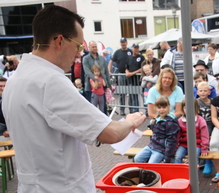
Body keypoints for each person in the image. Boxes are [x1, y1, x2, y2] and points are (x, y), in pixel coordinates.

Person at [1, 5, 146, 193]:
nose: (79, 54)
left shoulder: (17, 79)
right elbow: (110, 133)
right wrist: (130, 122)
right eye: (78, 46)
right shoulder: (50, 81)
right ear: (59, 41)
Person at [134, 96, 180, 163]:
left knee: (151, 165)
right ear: (155, 108)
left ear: (168, 107)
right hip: (152, 146)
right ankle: (143, 172)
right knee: (137, 158)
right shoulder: (157, 119)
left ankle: (150, 173)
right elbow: (155, 133)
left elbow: (171, 141)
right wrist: (152, 125)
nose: (161, 110)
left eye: (164, 107)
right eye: (159, 107)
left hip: (161, 150)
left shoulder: (170, 122)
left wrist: (167, 157)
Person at [173, 98, 209, 166]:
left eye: (191, 108)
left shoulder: (200, 120)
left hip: (196, 145)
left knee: (194, 158)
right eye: (186, 108)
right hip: (183, 144)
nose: (189, 110)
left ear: (195, 108)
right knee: (177, 156)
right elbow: (177, 135)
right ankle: (178, 174)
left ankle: (194, 176)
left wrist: (204, 148)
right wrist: (175, 146)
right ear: (183, 109)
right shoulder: (180, 121)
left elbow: (204, 136)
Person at [108, 37, 132, 116]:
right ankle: (122, 109)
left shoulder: (130, 51)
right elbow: (111, 61)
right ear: (120, 43)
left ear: (126, 43)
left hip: (131, 75)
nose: (123, 43)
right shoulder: (117, 52)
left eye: (124, 42)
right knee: (122, 93)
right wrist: (109, 70)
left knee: (131, 92)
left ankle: (131, 109)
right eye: (122, 42)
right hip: (121, 75)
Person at [196, 81, 214, 175]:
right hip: (199, 125)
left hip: (210, 124)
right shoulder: (196, 102)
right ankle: (201, 162)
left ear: (209, 92)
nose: (203, 92)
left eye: (205, 91)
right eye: (201, 91)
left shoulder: (212, 102)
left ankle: (208, 162)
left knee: (208, 140)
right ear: (197, 92)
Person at [125, 43, 144, 113]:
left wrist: (132, 73)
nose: (137, 49)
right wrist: (127, 72)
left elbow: (142, 68)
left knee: (143, 96)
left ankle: (147, 110)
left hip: (140, 81)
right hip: (131, 81)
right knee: (134, 97)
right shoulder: (129, 58)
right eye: (135, 48)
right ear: (132, 49)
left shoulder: (141, 57)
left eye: (137, 48)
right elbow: (126, 67)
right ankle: (136, 111)